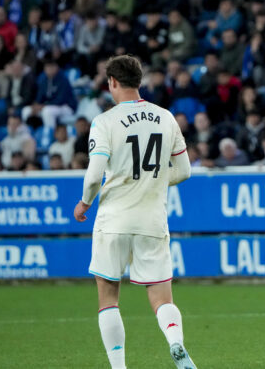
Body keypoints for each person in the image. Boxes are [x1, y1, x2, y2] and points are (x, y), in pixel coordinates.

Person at [72, 55, 196, 369]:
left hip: (113, 220)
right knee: (161, 297)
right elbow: (183, 171)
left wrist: (85, 202)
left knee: (108, 297)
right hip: (152, 220)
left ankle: (119, 367)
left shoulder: (105, 121)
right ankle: (175, 342)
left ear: (112, 82)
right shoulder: (165, 117)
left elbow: (93, 174)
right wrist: (152, 179)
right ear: (138, 81)